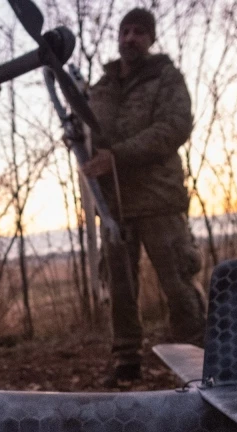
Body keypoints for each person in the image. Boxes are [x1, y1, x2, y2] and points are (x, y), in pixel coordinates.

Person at [83, 8, 206, 386]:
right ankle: (126, 361)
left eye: (139, 32)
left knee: (178, 281)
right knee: (119, 285)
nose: (130, 37)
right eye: (125, 31)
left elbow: (174, 127)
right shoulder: (100, 88)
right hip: (114, 204)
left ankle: (202, 358)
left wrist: (117, 157)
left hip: (158, 199)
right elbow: (90, 134)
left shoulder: (165, 79)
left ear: (150, 39)